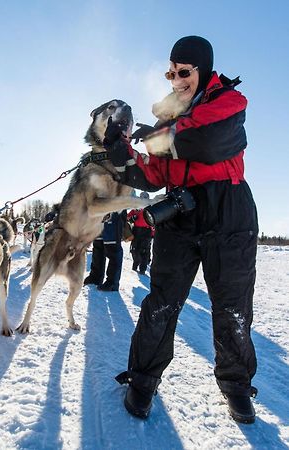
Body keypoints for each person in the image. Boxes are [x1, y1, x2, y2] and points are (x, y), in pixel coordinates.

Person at [103, 36, 258, 423]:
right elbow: (153, 176)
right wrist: (126, 157)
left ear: (202, 70)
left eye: (184, 72)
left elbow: (206, 142)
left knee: (232, 307)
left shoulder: (229, 103)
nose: (176, 79)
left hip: (229, 211)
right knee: (161, 302)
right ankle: (142, 379)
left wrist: (155, 139)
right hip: (180, 211)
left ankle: (236, 386)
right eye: (171, 72)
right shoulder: (166, 120)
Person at [84, 210, 127, 292]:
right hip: (99, 214)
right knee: (98, 247)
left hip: (114, 213)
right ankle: (95, 277)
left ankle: (112, 282)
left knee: (113, 249)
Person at [128, 192, 154, 274]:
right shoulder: (136, 207)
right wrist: (132, 218)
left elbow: (154, 220)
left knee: (144, 250)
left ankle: (142, 269)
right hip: (136, 230)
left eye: (145, 197)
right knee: (134, 249)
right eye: (142, 197)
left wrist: (153, 233)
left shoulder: (150, 207)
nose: (143, 199)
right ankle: (135, 265)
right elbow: (128, 217)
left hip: (147, 231)